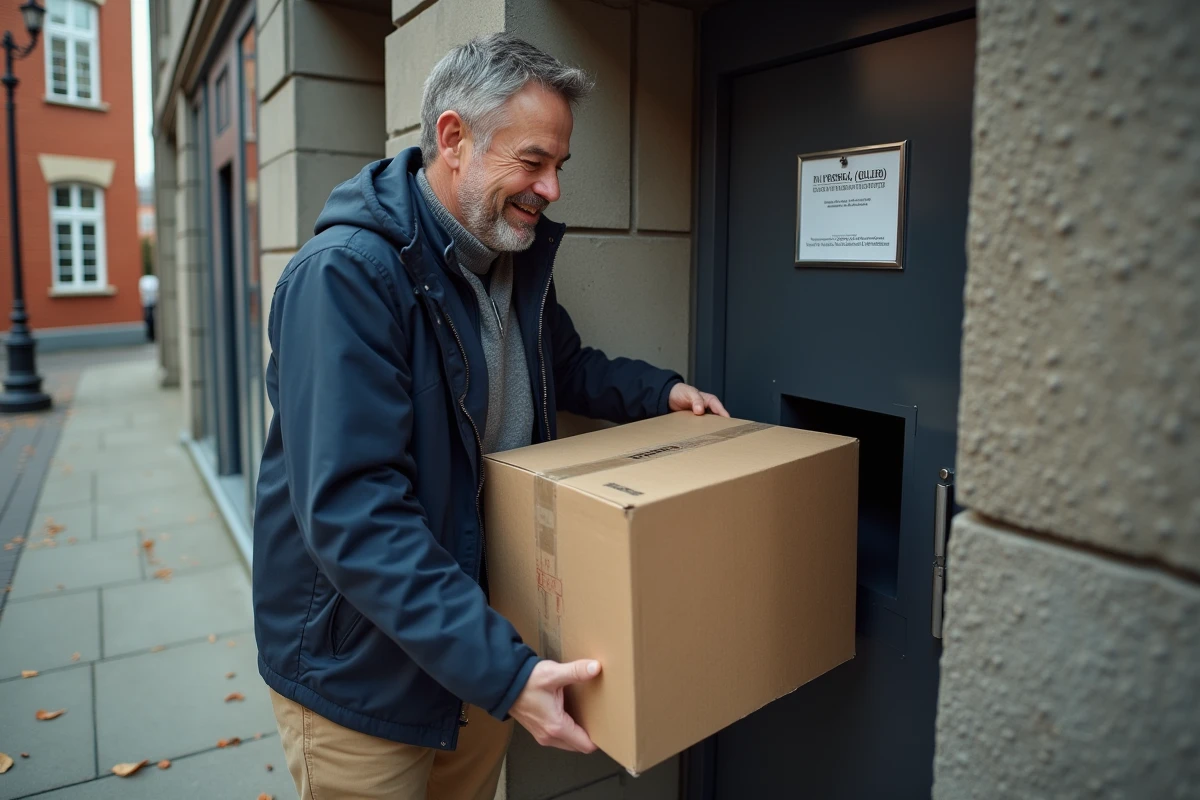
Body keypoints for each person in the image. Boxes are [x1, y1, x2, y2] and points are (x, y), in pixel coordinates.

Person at [252, 33, 727, 800]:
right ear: (452, 138)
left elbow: (560, 366)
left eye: (559, 167)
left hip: (471, 641)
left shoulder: (501, 253)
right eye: (534, 161)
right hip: (365, 675)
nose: (552, 189)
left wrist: (659, 393)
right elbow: (354, 513)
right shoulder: (345, 276)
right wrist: (507, 673)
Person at [138, 270, 158, 342]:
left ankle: (151, 336)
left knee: (150, 319)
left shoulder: (144, 280)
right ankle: (151, 335)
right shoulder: (150, 280)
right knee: (150, 319)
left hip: (148, 303)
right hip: (149, 303)